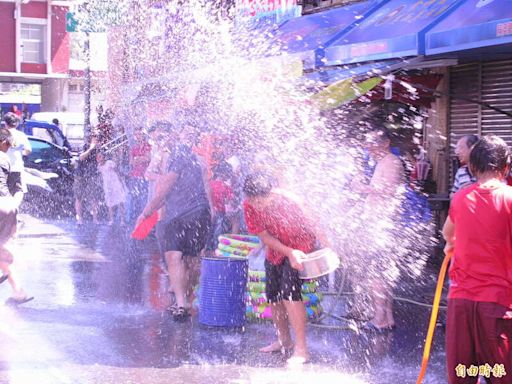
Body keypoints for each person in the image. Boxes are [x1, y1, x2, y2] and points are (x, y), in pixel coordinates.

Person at [443, 136, 512, 384]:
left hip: (460, 303)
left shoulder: (461, 197)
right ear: (506, 167)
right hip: (496, 305)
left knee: (464, 373)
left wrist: (452, 244)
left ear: (472, 167)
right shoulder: (509, 198)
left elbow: (447, 233)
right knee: (499, 375)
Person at [137, 121, 211, 321]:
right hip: (198, 213)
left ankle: (182, 302)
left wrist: (145, 213)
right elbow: (206, 187)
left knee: (176, 257)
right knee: (190, 259)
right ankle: (185, 299)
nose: (161, 141)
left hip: (179, 215)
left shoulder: (177, 156)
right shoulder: (194, 158)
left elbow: (164, 190)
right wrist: (210, 211)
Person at [243, 172, 317, 365]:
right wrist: (287, 251)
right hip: (277, 250)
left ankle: (302, 349)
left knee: (290, 294)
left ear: (271, 193)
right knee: (274, 295)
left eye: (261, 200)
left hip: (301, 249)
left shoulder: (291, 202)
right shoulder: (249, 205)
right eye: (253, 200)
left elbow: (315, 224)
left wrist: (331, 250)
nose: (257, 205)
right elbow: (265, 237)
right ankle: (284, 340)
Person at [350, 126, 405, 331]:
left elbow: (388, 191)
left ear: (386, 143)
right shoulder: (383, 162)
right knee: (382, 272)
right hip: (380, 224)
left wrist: (362, 188)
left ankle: (379, 317)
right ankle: (387, 317)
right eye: (367, 143)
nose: (368, 147)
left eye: (372, 143)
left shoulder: (391, 161)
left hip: (382, 226)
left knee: (377, 272)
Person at [0, 128, 33, 305]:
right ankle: (19, 292)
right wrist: (13, 208)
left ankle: (10, 256)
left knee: (2, 254)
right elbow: (18, 191)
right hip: (8, 205)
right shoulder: (11, 161)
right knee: (1, 256)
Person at [205, 161, 236, 254]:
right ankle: (216, 255)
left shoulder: (209, 184)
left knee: (207, 237)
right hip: (221, 215)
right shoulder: (226, 187)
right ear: (225, 174)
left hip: (208, 213)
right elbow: (230, 204)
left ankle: (205, 255)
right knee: (218, 239)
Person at [3, 112, 31, 205]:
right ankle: (14, 207)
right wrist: (19, 152)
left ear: (5, 123)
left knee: (3, 190)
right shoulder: (21, 135)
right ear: (16, 123)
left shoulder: (2, 134)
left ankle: (5, 211)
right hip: (16, 167)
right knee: (18, 190)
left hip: (2, 168)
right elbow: (28, 150)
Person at [74, 137, 101, 224]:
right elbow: (81, 157)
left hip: (92, 175)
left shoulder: (98, 149)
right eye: (95, 139)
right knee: (79, 197)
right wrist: (91, 148)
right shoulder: (84, 146)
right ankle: (80, 219)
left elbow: (101, 161)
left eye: (97, 140)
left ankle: (95, 219)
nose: (96, 141)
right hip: (81, 175)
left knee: (94, 197)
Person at [97, 151, 126, 226]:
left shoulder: (109, 163)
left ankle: (122, 220)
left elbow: (117, 171)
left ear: (104, 157)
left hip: (115, 184)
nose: (98, 158)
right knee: (109, 202)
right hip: (107, 185)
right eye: (97, 157)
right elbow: (102, 176)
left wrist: (121, 182)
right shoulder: (99, 166)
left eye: (100, 156)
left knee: (120, 201)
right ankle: (111, 220)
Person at [128, 129, 151, 222]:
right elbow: (131, 162)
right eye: (136, 134)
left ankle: (144, 218)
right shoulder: (134, 148)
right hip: (135, 176)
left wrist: (137, 158)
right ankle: (134, 218)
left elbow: (148, 158)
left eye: (140, 134)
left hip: (144, 176)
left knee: (144, 198)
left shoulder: (148, 146)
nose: (138, 136)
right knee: (135, 198)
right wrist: (141, 159)